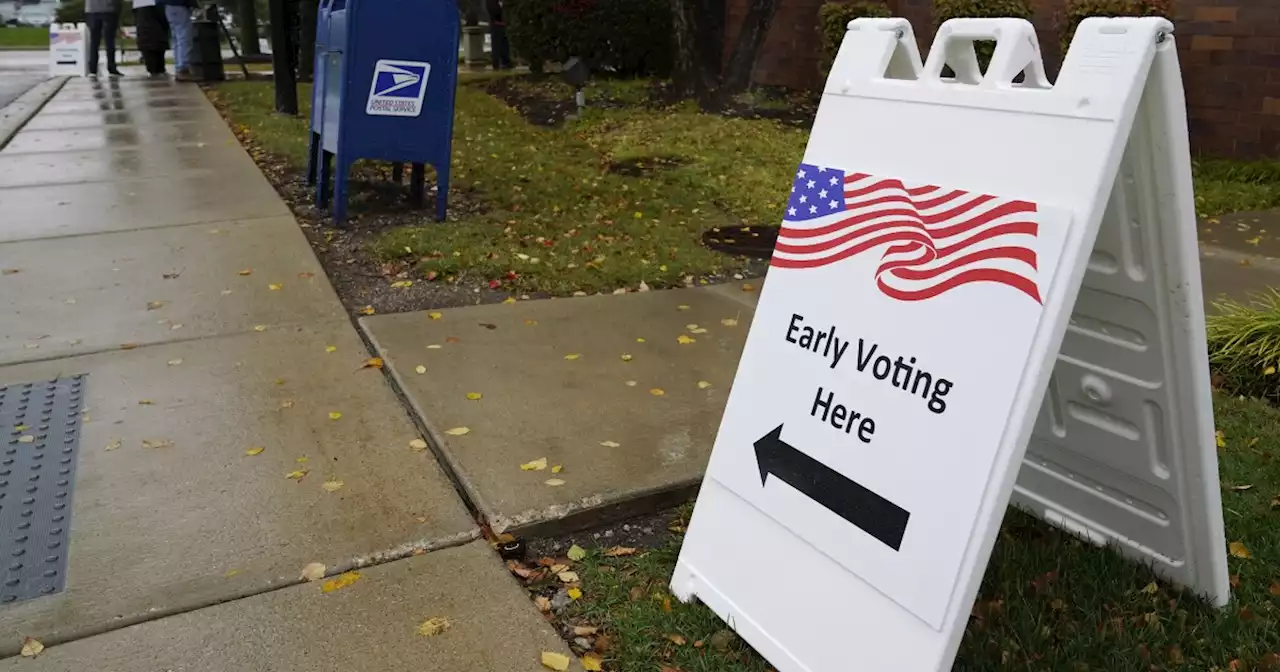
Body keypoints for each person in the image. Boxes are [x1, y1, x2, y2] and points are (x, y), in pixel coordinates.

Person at [157, 0, 197, 81]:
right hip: (179, 5)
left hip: (168, 6)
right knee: (184, 37)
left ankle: (179, 66)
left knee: (177, 37)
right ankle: (183, 67)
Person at [85, 0, 124, 78]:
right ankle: (111, 68)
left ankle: (92, 69)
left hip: (91, 9)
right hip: (109, 8)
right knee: (109, 40)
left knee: (94, 41)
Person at [132, 0, 169, 77]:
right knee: (158, 52)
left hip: (143, 31)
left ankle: (152, 70)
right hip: (157, 31)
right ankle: (160, 69)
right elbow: (162, 17)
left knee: (148, 53)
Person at [485, 0, 512, 70]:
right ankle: (496, 64)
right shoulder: (491, 2)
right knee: (496, 45)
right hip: (496, 24)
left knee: (504, 44)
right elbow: (493, 11)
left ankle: (506, 62)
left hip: (502, 24)